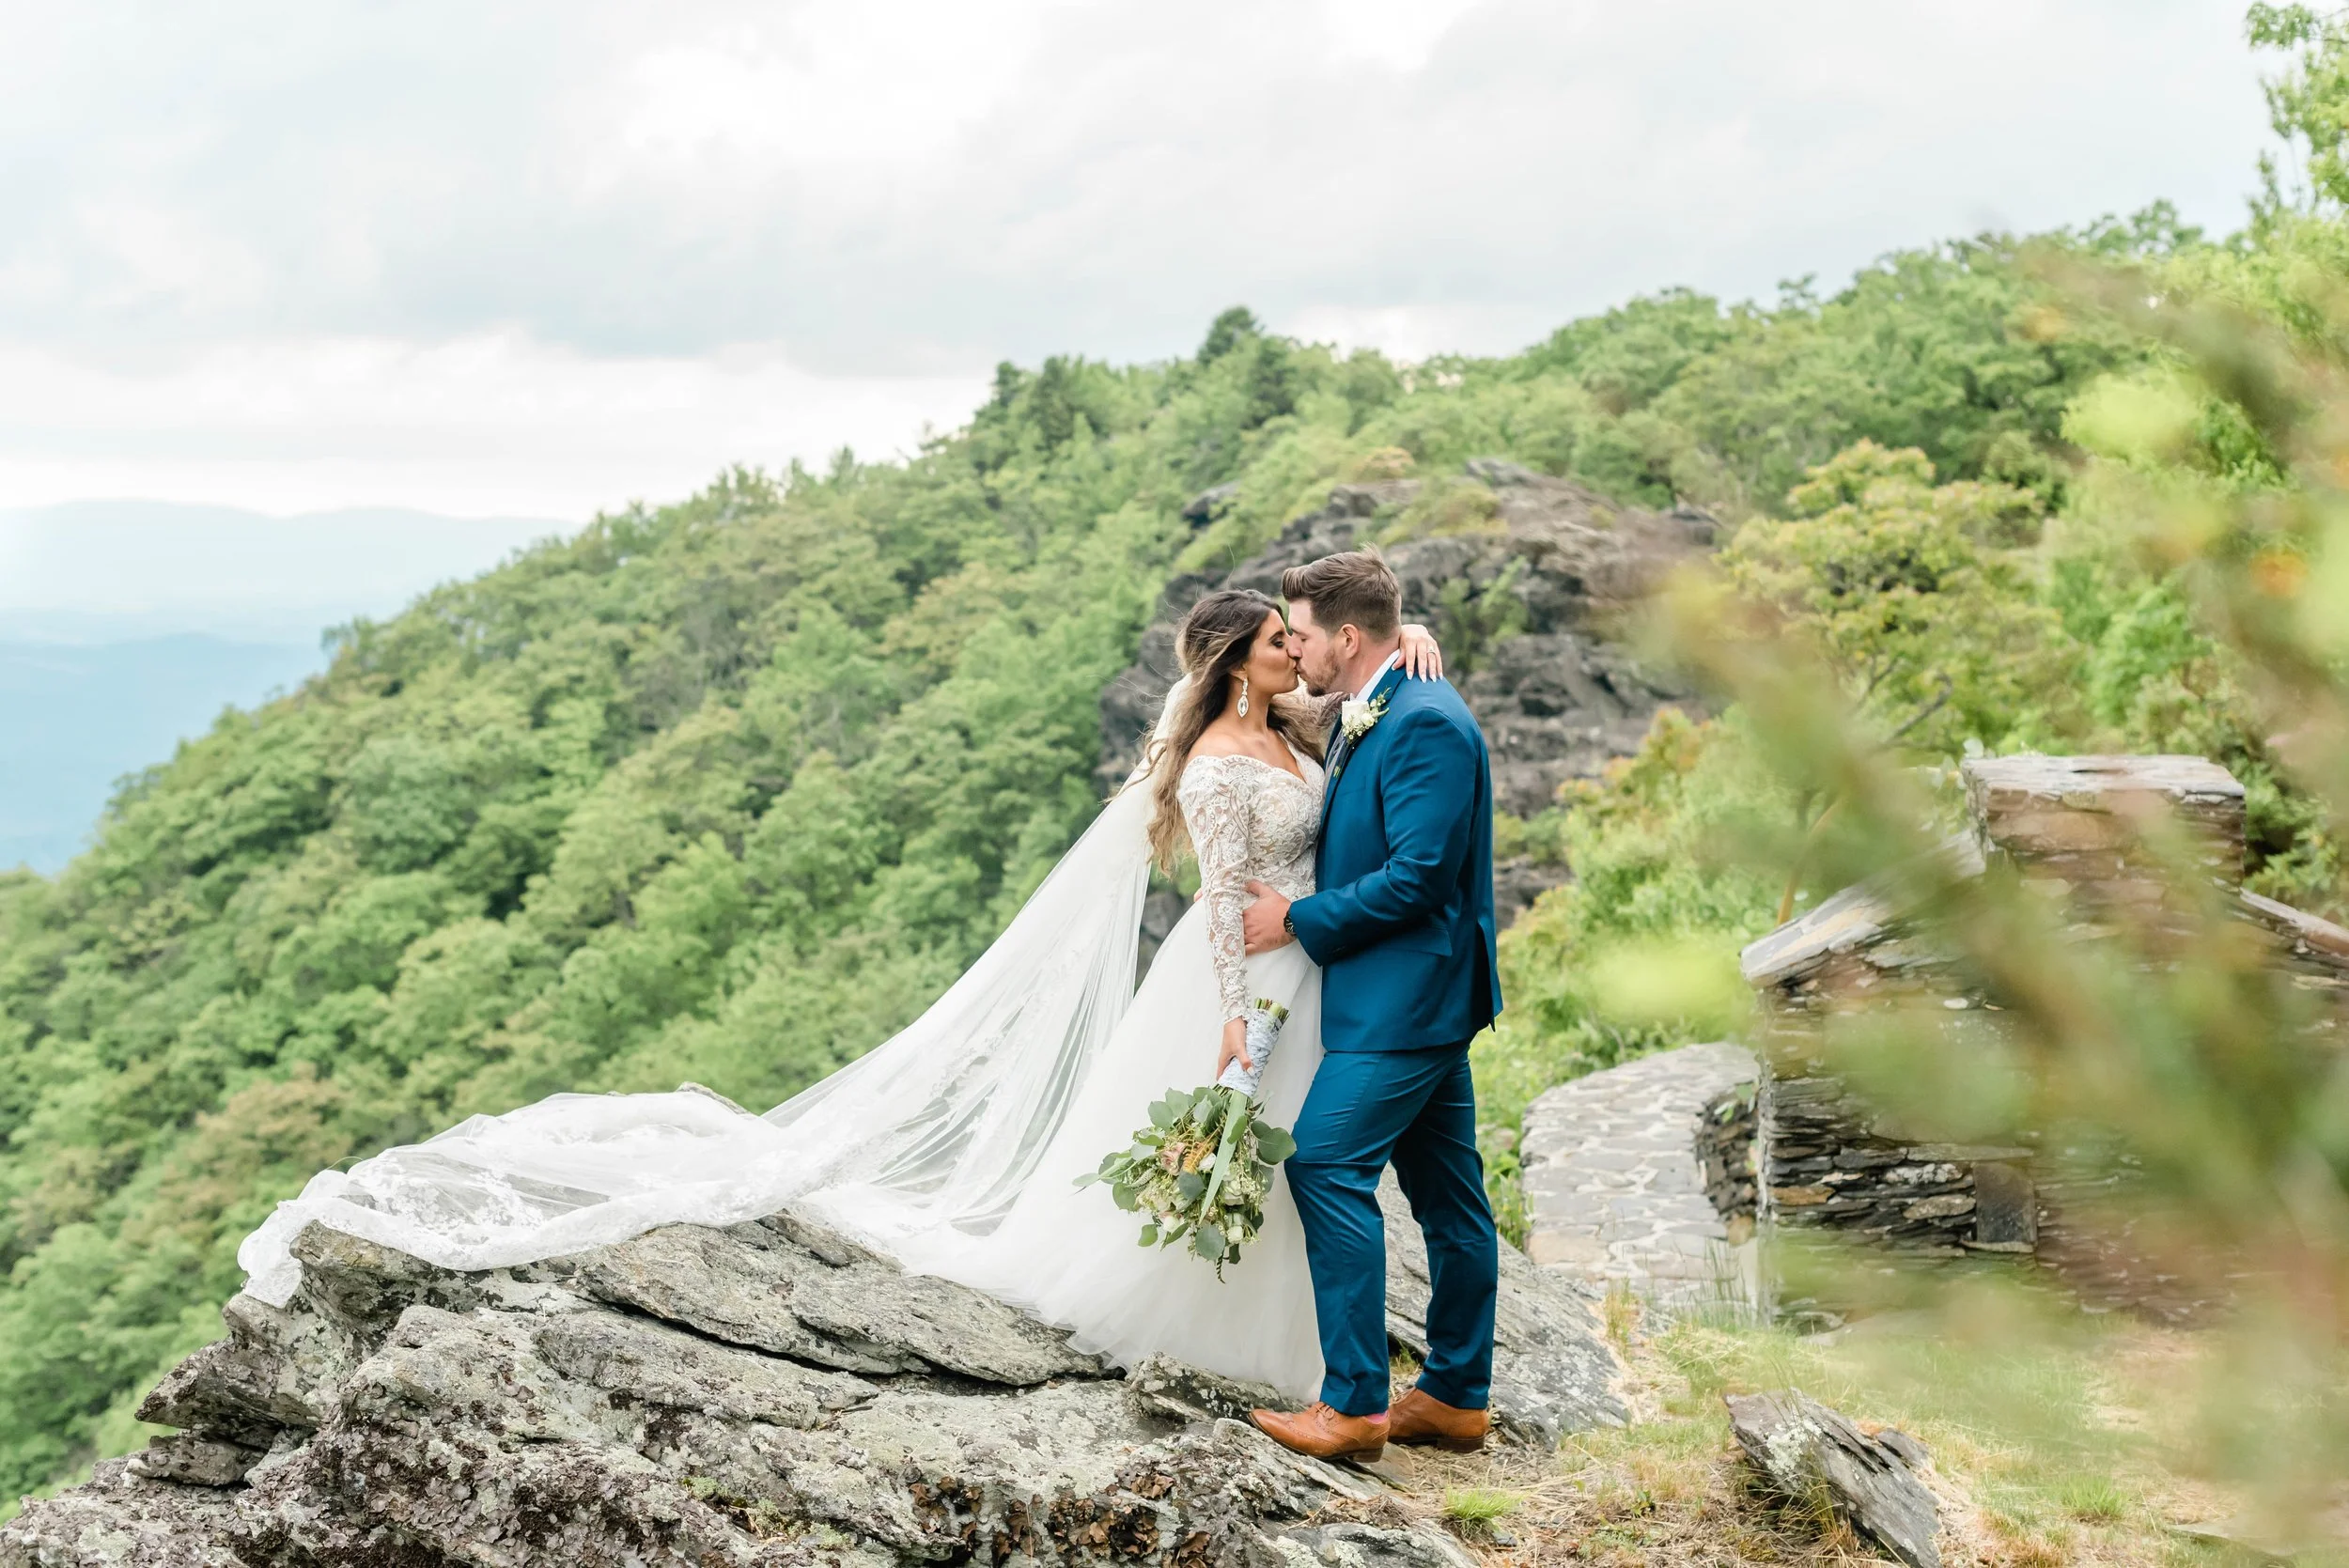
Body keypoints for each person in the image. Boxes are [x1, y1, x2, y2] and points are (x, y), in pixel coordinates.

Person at [230, 576, 1452, 1407]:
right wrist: (1240, 1014)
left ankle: (1306, 1355)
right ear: (1242, 660)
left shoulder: (1296, 723)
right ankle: (1206, 1332)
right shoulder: (1222, 758)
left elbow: (1356, 714)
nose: (1303, 651)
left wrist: (1403, 657)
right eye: (1284, 641)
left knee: (1299, 1158)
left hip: (1311, 958)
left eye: (1306, 638)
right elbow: (1231, 890)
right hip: (1240, 973)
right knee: (1240, 1141)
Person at [1236, 550, 1502, 1462]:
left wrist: (1296, 920)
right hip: (1412, 992)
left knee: (1321, 1166)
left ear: (1345, 638)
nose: (1293, 646)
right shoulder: (1376, 698)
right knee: (1447, 1194)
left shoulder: (1424, 720)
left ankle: (1353, 1405)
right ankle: (1457, 1397)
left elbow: (1422, 876)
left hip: (1407, 996)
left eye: (1301, 632)